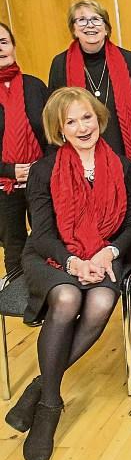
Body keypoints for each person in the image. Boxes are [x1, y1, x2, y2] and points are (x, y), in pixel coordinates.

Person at [6, 87, 131, 460]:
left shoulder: (124, 167)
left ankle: (39, 386)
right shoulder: (43, 171)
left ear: (99, 118)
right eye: (71, 121)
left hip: (103, 254)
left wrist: (107, 252)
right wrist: (73, 262)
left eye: (87, 117)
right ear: (59, 128)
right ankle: (50, 404)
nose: (82, 127)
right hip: (51, 255)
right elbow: (42, 232)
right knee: (66, 299)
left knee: (101, 300)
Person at [48, 0, 131, 178]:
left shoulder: (128, 59)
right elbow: (55, 113)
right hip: (80, 154)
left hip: (124, 149)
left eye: (96, 19)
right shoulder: (60, 64)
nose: (90, 25)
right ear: (73, 29)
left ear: (106, 27)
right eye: (82, 20)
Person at [0, 22, 47, 277]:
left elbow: (54, 133)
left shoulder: (35, 86)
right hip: (4, 187)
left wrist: (41, 168)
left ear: (13, 46)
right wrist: (10, 170)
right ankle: (19, 295)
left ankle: (50, 294)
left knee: (46, 241)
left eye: (3, 42)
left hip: (40, 181)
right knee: (14, 248)